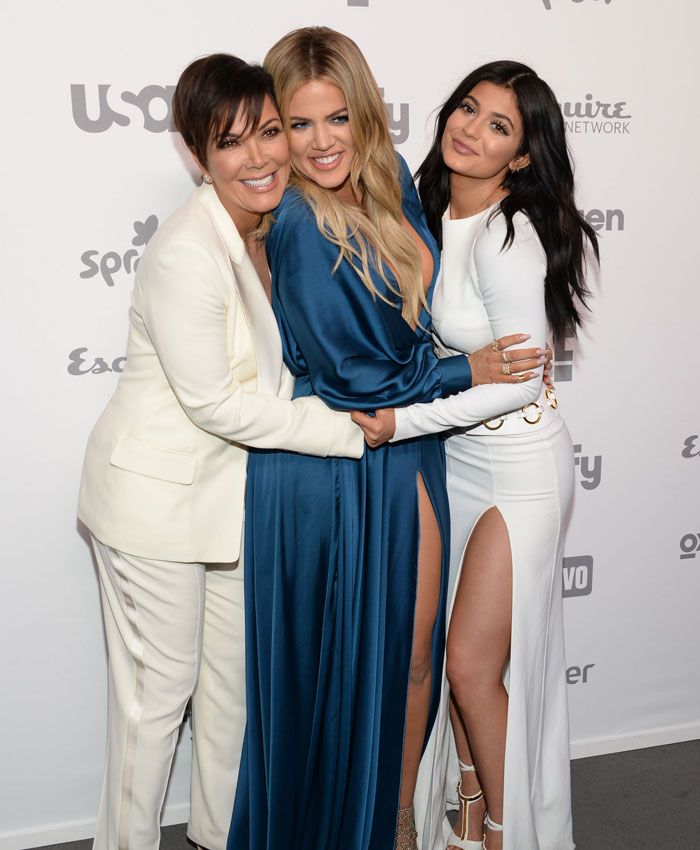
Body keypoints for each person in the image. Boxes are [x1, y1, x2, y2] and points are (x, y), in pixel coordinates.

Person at [227, 31, 546, 850]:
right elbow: (354, 382)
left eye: (338, 118)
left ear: (363, 113)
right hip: (342, 458)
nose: (323, 141)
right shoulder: (298, 220)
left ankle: (396, 816)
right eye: (299, 126)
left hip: (407, 444)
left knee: (412, 663)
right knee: (347, 669)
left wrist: (449, 374)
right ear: (277, 131)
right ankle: (355, 826)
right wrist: (464, 372)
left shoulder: (393, 178)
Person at [77, 53, 366, 850]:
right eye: (231, 142)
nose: (260, 156)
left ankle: (218, 837)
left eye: (270, 132)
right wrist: (353, 431)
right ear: (197, 155)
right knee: (155, 700)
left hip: (228, 504)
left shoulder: (273, 230)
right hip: (153, 501)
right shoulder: (186, 252)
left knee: (232, 692)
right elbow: (215, 403)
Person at [353, 61, 599, 850]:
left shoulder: (506, 233)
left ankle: (503, 832)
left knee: (467, 665)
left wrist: (400, 422)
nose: (471, 128)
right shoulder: (426, 212)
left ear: (521, 158)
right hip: (455, 464)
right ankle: (463, 810)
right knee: (462, 662)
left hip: (520, 466)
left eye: (499, 126)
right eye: (468, 108)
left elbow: (517, 386)